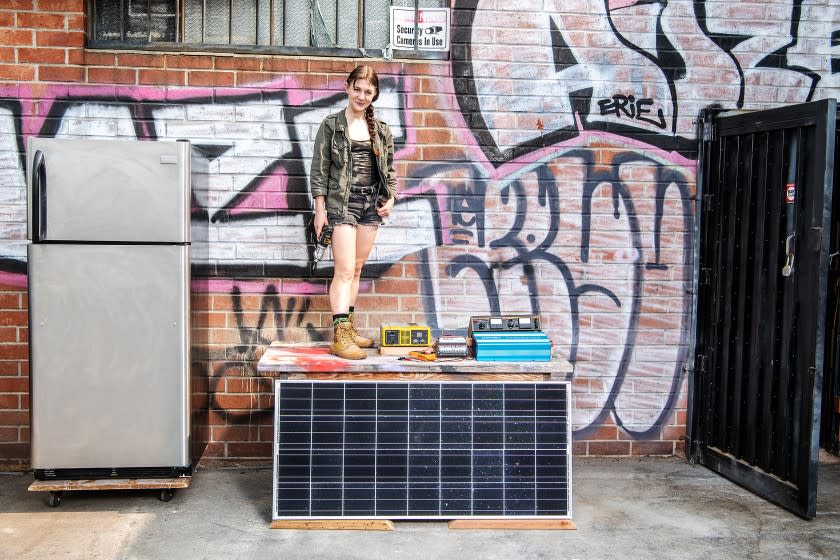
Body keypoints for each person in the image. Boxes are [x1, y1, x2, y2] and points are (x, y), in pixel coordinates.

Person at [310, 65, 397, 360]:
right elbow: (320, 171)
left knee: (357, 269)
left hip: (370, 206)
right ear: (347, 87)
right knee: (344, 270)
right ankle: (339, 336)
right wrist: (319, 210)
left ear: (374, 96)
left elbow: (390, 170)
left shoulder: (382, 130)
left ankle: (348, 326)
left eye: (368, 92)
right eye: (357, 89)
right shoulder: (331, 125)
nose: (361, 96)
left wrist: (392, 198)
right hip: (341, 205)